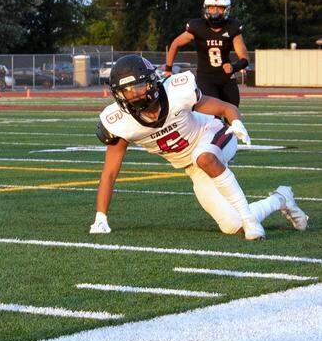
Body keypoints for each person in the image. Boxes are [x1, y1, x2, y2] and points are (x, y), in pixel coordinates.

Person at [91, 55, 308, 239]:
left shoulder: (176, 92)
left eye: (138, 86)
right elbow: (109, 174)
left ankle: (251, 221)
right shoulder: (119, 122)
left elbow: (226, 107)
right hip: (193, 167)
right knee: (232, 225)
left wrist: (237, 123)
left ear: (151, 82)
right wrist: (100, 218)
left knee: (203, 157)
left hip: (214, 134)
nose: (135, 94)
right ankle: (281, 198)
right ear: (119, 94)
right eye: (127, 91)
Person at [164, 0, 249, 107]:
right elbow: (175, 44)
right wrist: (168, 69)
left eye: (219, 8)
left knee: (233, 114)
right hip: (206, 78)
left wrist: (234, 67)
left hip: (226, 78)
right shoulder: (197, 26)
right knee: (211, 118)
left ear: (226, 10)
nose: (215, 12)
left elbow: (244, 58)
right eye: (211, 8)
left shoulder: (232, 27)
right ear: (206, 9)